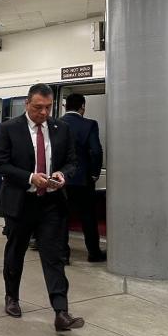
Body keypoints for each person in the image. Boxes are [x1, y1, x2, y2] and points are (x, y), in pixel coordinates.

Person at [0, 83, 84, 331]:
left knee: (53, 256)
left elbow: (71, 162)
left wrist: (62, 175)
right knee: (16, 252)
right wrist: (30, 177)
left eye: (48, 107)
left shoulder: (61, 128)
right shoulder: (9, 128)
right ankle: (11, 296)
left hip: (51, 204)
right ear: (27, 104)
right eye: (38, 108)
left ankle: (61, 312)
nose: (43, 113)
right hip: (21, 202)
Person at [59, 94, 106, 263]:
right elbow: (95, 151)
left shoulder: (55, 123)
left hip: (60, 178)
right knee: (88, 216)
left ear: (65, 107)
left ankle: (63, 254)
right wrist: (94, 173)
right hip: (83, 180)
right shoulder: (89, 124)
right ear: (82, 107)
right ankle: (94, 252)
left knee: (61, 216)